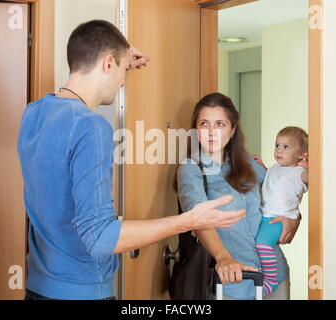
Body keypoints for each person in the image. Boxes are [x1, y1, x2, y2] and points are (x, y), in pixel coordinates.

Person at [17, 20, 246, 300]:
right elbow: (100, 237)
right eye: (123, 70)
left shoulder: (34, 113)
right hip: (82, 292)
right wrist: (187, 221)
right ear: (107, 63)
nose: (123, 80)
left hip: (38, 287)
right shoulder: (91, 127)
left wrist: (121, 54)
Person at [177, 93, 301, 300]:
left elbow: (283, 193)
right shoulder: (190, 169)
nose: (211, 132)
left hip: (273, 276)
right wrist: (223, 257)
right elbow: (198, 220)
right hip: (229, 283)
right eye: (204, 124)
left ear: (232, 129)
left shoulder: (251, 164)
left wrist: (294, 220)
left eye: (220, 124)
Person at [256, 126, 308, 296]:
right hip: (266, 216)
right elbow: (272, 183)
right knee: (259, 244)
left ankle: (271, 279)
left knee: (262, 244)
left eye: (286, 147)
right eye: (277, 145)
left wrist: (310, 166)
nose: (279, 150)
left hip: (279, 219)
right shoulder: (275, 168)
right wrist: (263, 168)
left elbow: (315, 178)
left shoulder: (298, 172)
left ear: (301, 154)